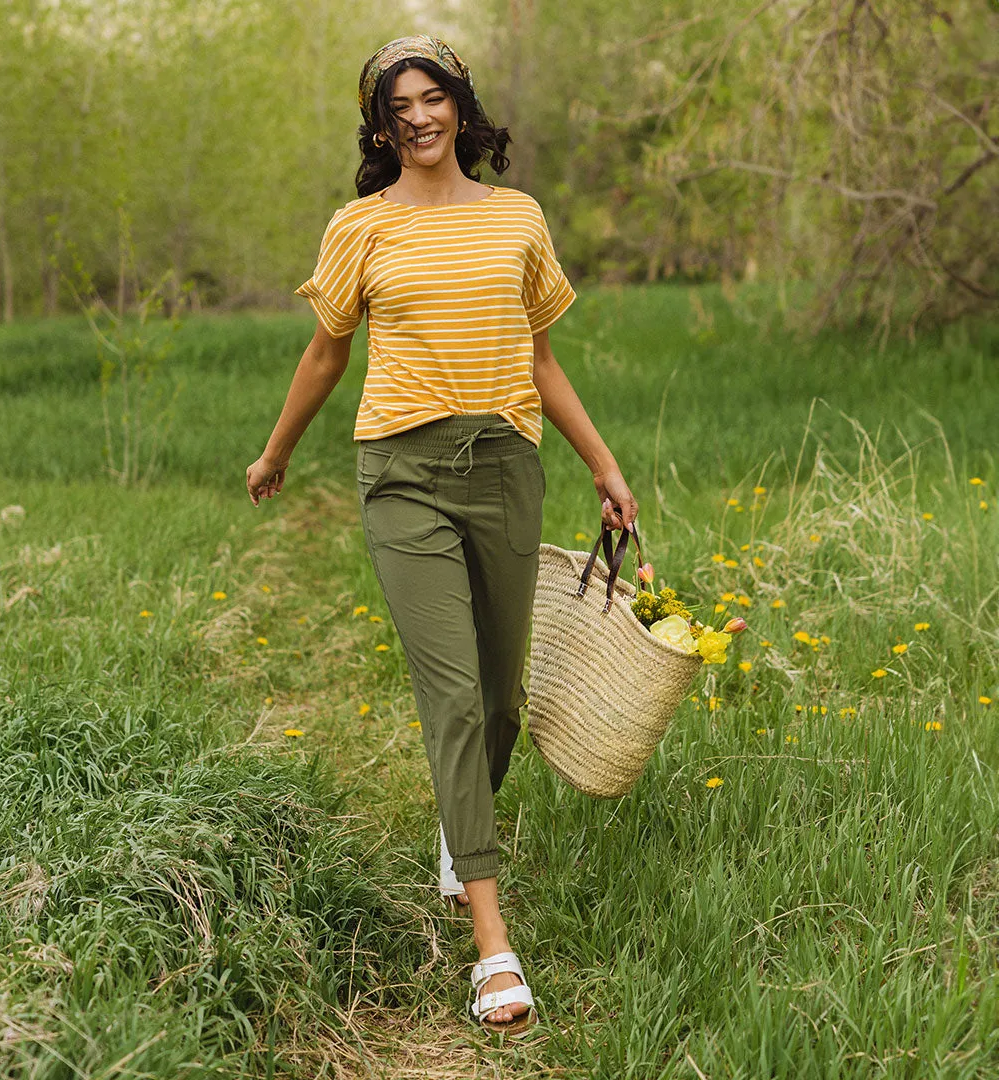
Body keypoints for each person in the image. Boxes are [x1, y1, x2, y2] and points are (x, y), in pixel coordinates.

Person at [246, 34, 638, 1037]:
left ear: (460, 106)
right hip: (403, 474)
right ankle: (492, 942)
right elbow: (327, 353)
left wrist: (603, 464)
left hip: (504, 466)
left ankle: (454, 826)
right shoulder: (360, 227)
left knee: (502, 698)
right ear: (380, 125)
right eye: (398, 104)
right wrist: (277, 452)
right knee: (454, 696)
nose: (418, 116)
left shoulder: (517, 221)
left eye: (434, 97)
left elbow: (541, 361)